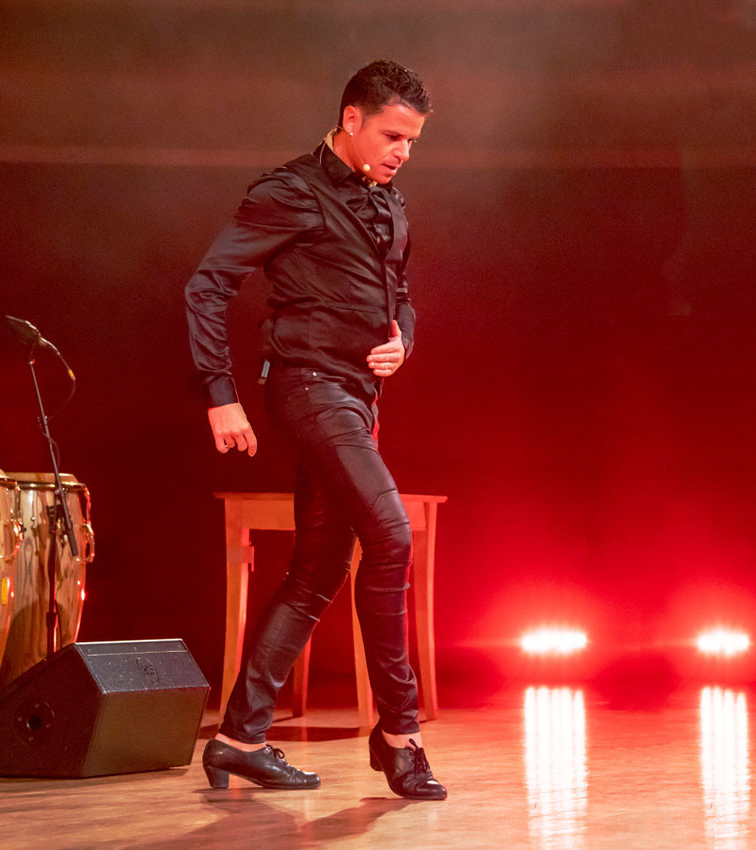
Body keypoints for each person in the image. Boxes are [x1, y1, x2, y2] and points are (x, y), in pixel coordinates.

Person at [185, 59, 446, 801]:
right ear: (352, 119)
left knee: (318, 569)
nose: (403, 151)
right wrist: (220, 395)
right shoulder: (289, 192)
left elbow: (404, 298)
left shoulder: (391, 204)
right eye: (394, 135)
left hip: (358, 400)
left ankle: (239, 737)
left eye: (414, 141)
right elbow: (207, 284)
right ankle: (400, 736)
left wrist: (407, 338)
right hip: (305, 388)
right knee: (391, 536)